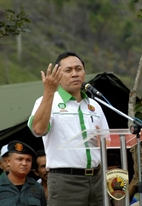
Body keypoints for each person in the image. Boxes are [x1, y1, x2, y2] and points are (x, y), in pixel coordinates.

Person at [27, 51, 109, 206]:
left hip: (97, 179)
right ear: (58, 76)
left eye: (78, 69)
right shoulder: (47, 101)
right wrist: (48, 92)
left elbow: (108, 142)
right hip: (66, 180)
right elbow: (38, 130)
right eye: (68, 70)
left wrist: (101, 140)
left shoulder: (95, 105)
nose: (74, 74)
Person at [0, 140, 46, 206]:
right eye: (20, 159)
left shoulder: (37, 187)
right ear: (8, 162)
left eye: (28, 160)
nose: (24, 163)